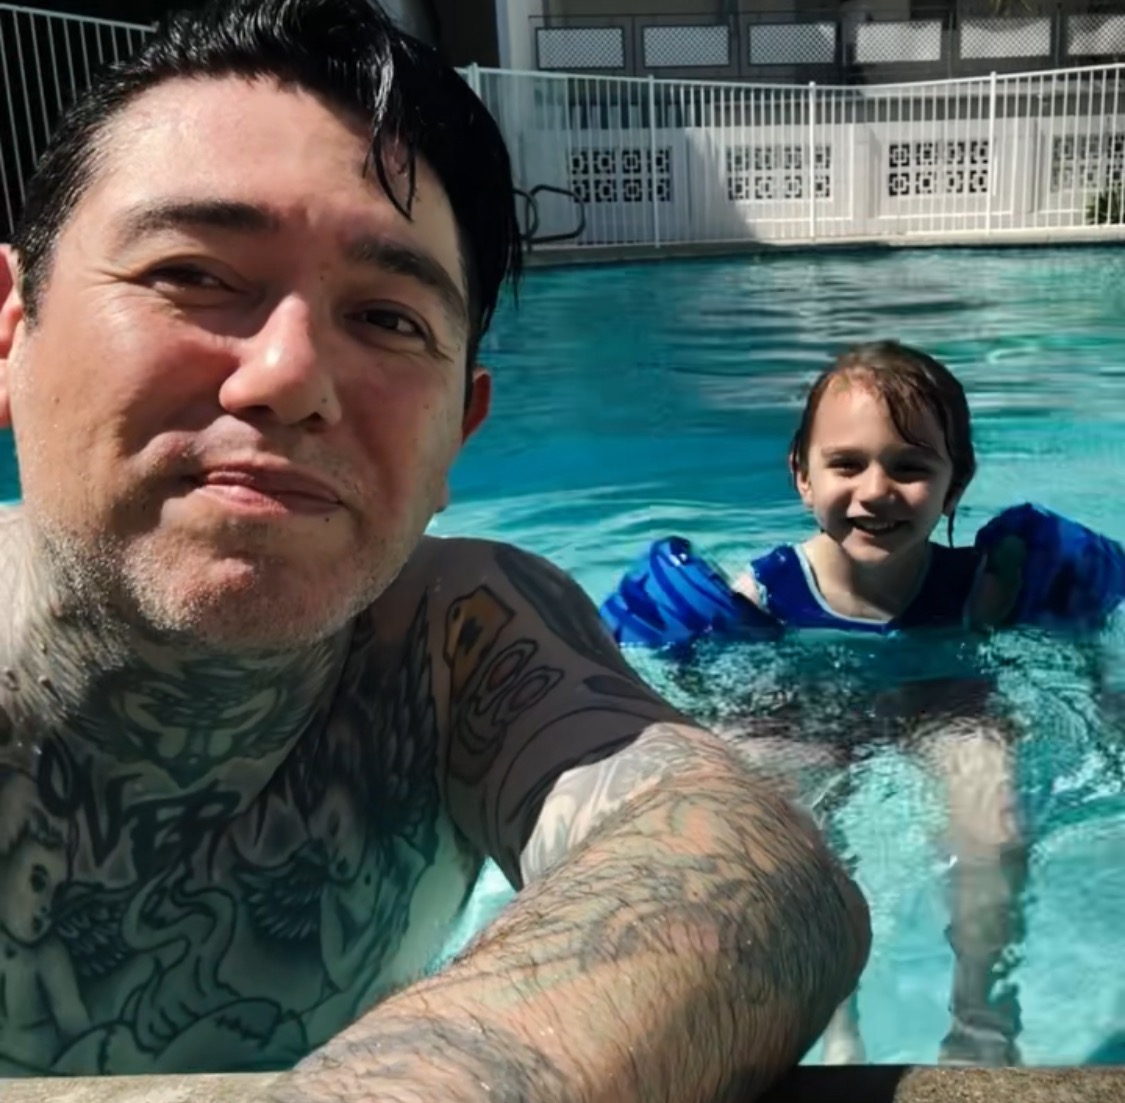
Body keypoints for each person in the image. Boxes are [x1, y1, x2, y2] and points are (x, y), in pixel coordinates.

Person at [0, 0, 872, 1093]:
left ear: (461, 429)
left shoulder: (455, 644)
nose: (289, 377)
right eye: (194, 273)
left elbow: (747, 866)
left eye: (389, 318)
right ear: (10, 327)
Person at [599, 341, 1125, 1066]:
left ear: (955, 484)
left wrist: (1105, 712)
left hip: (947, 700)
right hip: (811, 710)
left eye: (910, 467)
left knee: (993, 813)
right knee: (783, 821)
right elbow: (692, 696)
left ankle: (981, 1016)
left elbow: (1085, 657)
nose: (876, 490)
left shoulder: (989, 585)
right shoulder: (762, 596)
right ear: (802, 477)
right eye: (846, 464)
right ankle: (833, 1021)